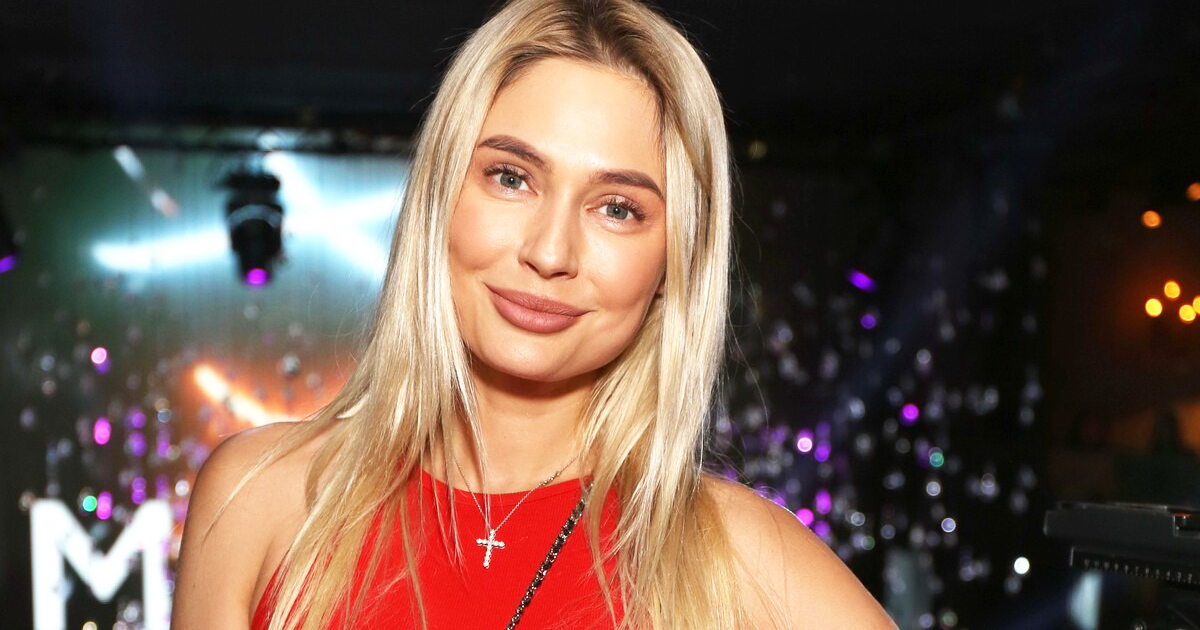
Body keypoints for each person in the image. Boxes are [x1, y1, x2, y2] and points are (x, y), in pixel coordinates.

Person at [172, 0, 896, 628]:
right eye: (511, 177)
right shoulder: (257, 500)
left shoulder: (737, 558)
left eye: (618, 208)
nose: (550, 252)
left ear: (673, 263)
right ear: (439, 196)